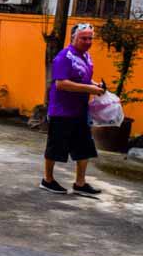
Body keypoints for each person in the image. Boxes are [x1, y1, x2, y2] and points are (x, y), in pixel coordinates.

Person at [41, 22, 105, 195]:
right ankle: (47, 180)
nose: (88, 41)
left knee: (84, 146)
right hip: (62, 110)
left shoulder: (86, 57)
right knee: (56, 146)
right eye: (83, 38)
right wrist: (90, 89)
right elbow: (61, 84)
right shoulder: (64, 57)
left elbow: (82, 79)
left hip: (80, 110)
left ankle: (80, 183)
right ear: (73, 38)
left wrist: (95, 85)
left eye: (90, 38)